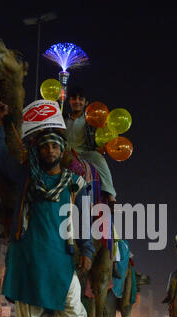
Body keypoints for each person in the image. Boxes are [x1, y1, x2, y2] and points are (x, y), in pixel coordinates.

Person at [0, 101, 104, 317]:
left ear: (62, 150)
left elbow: (82, 222)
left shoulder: (75, 183)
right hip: (28, 255)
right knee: (30, 315)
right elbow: (0, 155)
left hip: (61, 258)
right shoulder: (25, 178)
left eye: (55, 147)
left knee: (74, 312)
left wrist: (87, 250)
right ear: (37, 150)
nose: (50, 151)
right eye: (44, 147)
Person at [63, 86, 121, 278]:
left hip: (84, 153)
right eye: (73, 99)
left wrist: (101, 145)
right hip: (62, 153)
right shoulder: (62, 119)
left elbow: (98, 139)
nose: (77, 102)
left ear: (86, 103)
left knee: (99, 160)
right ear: (69, 101)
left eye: (80, 99)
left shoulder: (89, 122)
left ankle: (110, 194)